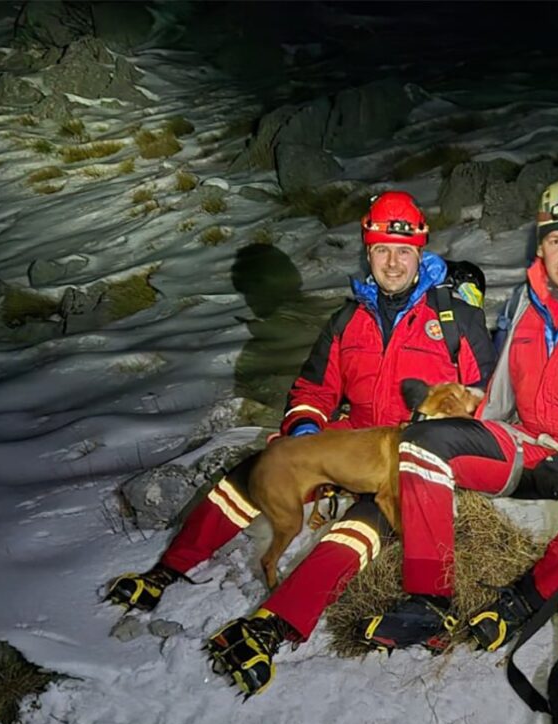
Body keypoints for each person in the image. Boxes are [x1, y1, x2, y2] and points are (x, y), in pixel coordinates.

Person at [105, 190, 496, 694]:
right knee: (254, 471)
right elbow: (313, 389)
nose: (392, 262)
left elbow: (481, 401)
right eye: (381, 250)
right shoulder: (346, 320)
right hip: (350, 447)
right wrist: (306, 433)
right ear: (368, 252)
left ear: (420, 252)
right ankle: (167, 570)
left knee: (357, 531)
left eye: (403, 251)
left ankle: (272, 625)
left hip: (412, 463)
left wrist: (437, 449)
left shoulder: (454, 321)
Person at [358, 178, 558, 652]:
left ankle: (523, 600)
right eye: (555, 241)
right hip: (530, 447)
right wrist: (459, 415)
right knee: (421, 442)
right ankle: (430, 600)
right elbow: (500, 392)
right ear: (541, 247)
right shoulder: (523, 305)